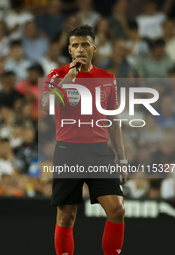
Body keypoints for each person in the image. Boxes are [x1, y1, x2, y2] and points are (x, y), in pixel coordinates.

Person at [41, 25, 127, 255]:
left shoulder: (108, 78)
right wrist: (70, 77)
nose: (80, 49)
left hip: (100, 151)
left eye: (85, 44)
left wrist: (123, 158)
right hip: (69, 151)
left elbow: (113, 120)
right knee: (66, 216)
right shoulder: (56, 75)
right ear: (69, 49)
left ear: (94, 48)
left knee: (117, 210)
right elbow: (47, 104)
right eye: (76, 45)